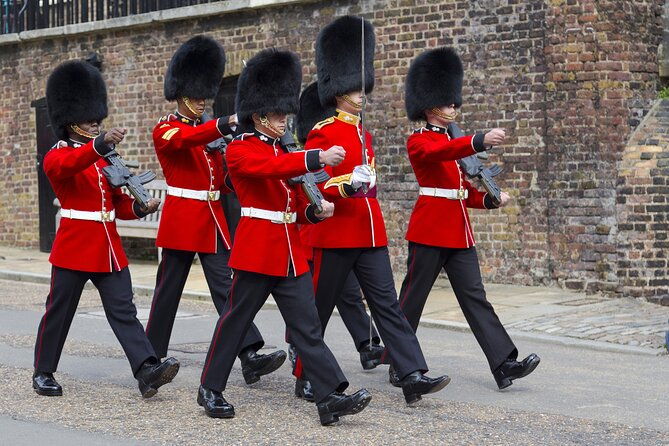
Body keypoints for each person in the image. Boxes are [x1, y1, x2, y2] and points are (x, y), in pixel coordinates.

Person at [197, 48, 371, 425]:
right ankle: (210, 388)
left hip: (289, 251)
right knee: (235, 321)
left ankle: (329, 396)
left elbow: (293, 197)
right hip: (257, 248)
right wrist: (315, 157)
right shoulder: (241, 150)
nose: (284, 119)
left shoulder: (284, 149)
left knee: (308, 328)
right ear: (259, 115)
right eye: (278, 114)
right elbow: (269, 168)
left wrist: (315, 209)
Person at [296, 15, 450, 406]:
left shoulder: (363, 133)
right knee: (318, 308)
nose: (361, 93)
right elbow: (318, 180)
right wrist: (345, 183)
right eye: (353, 87)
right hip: (336, 233)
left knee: (388, 306)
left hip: (369, 232)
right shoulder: (323, 131)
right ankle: (307, 374)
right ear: (337, 91)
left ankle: (412, 373)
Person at [382, 47, 540, 390]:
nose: (454, 107)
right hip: (429, 230)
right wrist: (478, 140)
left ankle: (504, 364)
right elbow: (441, 153)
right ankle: (399, 361)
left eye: (454, 102)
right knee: (413, 299)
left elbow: (460, 193)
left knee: (475, 297)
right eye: (448, 102)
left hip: (458, 232)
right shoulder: (420, 141)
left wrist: (489, 200)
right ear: (430, 105)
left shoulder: (454, 144)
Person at [33, 60, 179, 398]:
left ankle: (146, 369)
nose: (96, 123)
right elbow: (70, 164)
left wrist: (140, 207)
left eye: (97, 117)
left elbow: (115, 204)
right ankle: (43, 371)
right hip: (74, 246)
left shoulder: (103, 157)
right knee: (60, 311)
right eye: (88, 119)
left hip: (107, 247)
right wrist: (99, 144)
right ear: (71, 122)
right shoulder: (58, 155)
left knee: (123, 310)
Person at [145, 35, 285, 385]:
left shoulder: (207, 133)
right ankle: (149, 359)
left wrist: (231, 158)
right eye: (196, 96)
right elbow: (181, 141)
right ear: (180, 95)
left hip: (212, 220)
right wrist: (222, 125)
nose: (201, 101)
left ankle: (249, 352)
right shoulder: (166, 127)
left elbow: (221, 180)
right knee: (168, 292)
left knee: (227, 287)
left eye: (203, 95)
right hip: (182, 218)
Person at [289, 82, 384, 401]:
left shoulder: (354, 135)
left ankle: (367, 344)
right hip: (317, 235)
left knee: (347, 295)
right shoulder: (313, 142)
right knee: (313, 307)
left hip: (338, 231)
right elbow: (315, 187)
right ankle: (302, 359)